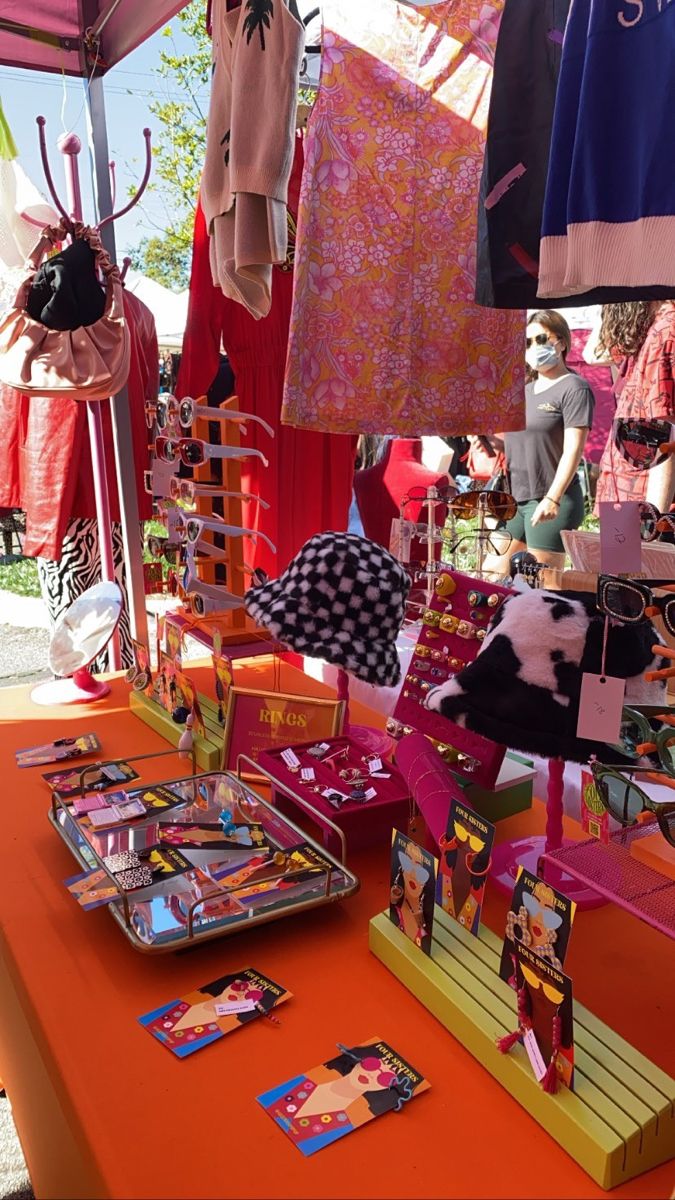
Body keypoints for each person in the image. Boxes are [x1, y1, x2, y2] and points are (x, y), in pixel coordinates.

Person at [483, 309, 594, 574]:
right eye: (528, 342)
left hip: (552, 500)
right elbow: (517, 445)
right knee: (491, 573)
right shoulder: (524, 391)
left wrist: (553, 499)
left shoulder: (574, 388)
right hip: (517, 500)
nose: (534, 347)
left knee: (541, 585)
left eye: (541, 339)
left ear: (562, 342)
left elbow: (573, 450)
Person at [595, 302, 675, 513]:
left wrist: (654, 525)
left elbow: (664, 438)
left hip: (643, 504)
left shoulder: (665, 328)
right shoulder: (651, 329)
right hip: (626, 498)